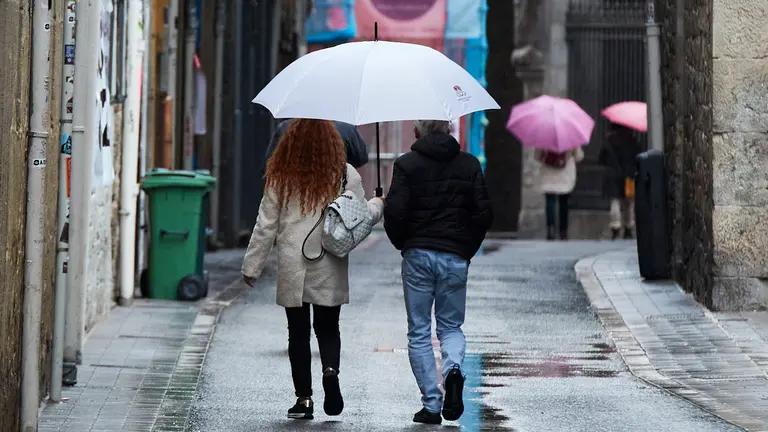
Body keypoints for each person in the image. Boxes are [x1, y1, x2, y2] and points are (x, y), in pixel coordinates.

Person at [241, 119, 384, 420]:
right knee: (328, 327)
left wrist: (252, 266)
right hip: (328, 259)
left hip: (293, 261)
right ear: (332, 143)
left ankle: (303, 399)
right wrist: (378, 203)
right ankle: (330, 371)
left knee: (298, 332)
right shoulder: (346, 174)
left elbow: (265, 223)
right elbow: (359, 215)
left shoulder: (280, 175)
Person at [383, 119, 493, 425]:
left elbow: (395, 212)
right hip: (455, 256)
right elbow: (484, 213)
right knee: (450, 328)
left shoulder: (406, 165)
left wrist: (404, 244)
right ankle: (453, 370)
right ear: (449, 131)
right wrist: (465, 247)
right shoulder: (469, 164)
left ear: (417, 133)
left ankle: (432, 404)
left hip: (417, 253)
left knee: (419, 331)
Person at [599, 122, 643, 240]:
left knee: (615, 202)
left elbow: (602, 158)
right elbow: (638, 157)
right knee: (629, 203)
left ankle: (616, 226)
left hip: (612, 175)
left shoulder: (609, 142)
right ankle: (628, 227)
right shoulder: (632, 141)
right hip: (628, 175)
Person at [265, 119, 369, 168]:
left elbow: (268, 163)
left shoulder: (285, 128)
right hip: (335, 202)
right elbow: (361, 158)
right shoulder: (346, 129)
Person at [534, 146, 585, 240]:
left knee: (550, 201)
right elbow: (579, 157)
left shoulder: (544, 139)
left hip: (548, 173)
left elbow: (537, 157)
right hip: (565, 174)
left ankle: (550, 229)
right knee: (564, 203)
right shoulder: (571, 139)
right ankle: (563, 231)